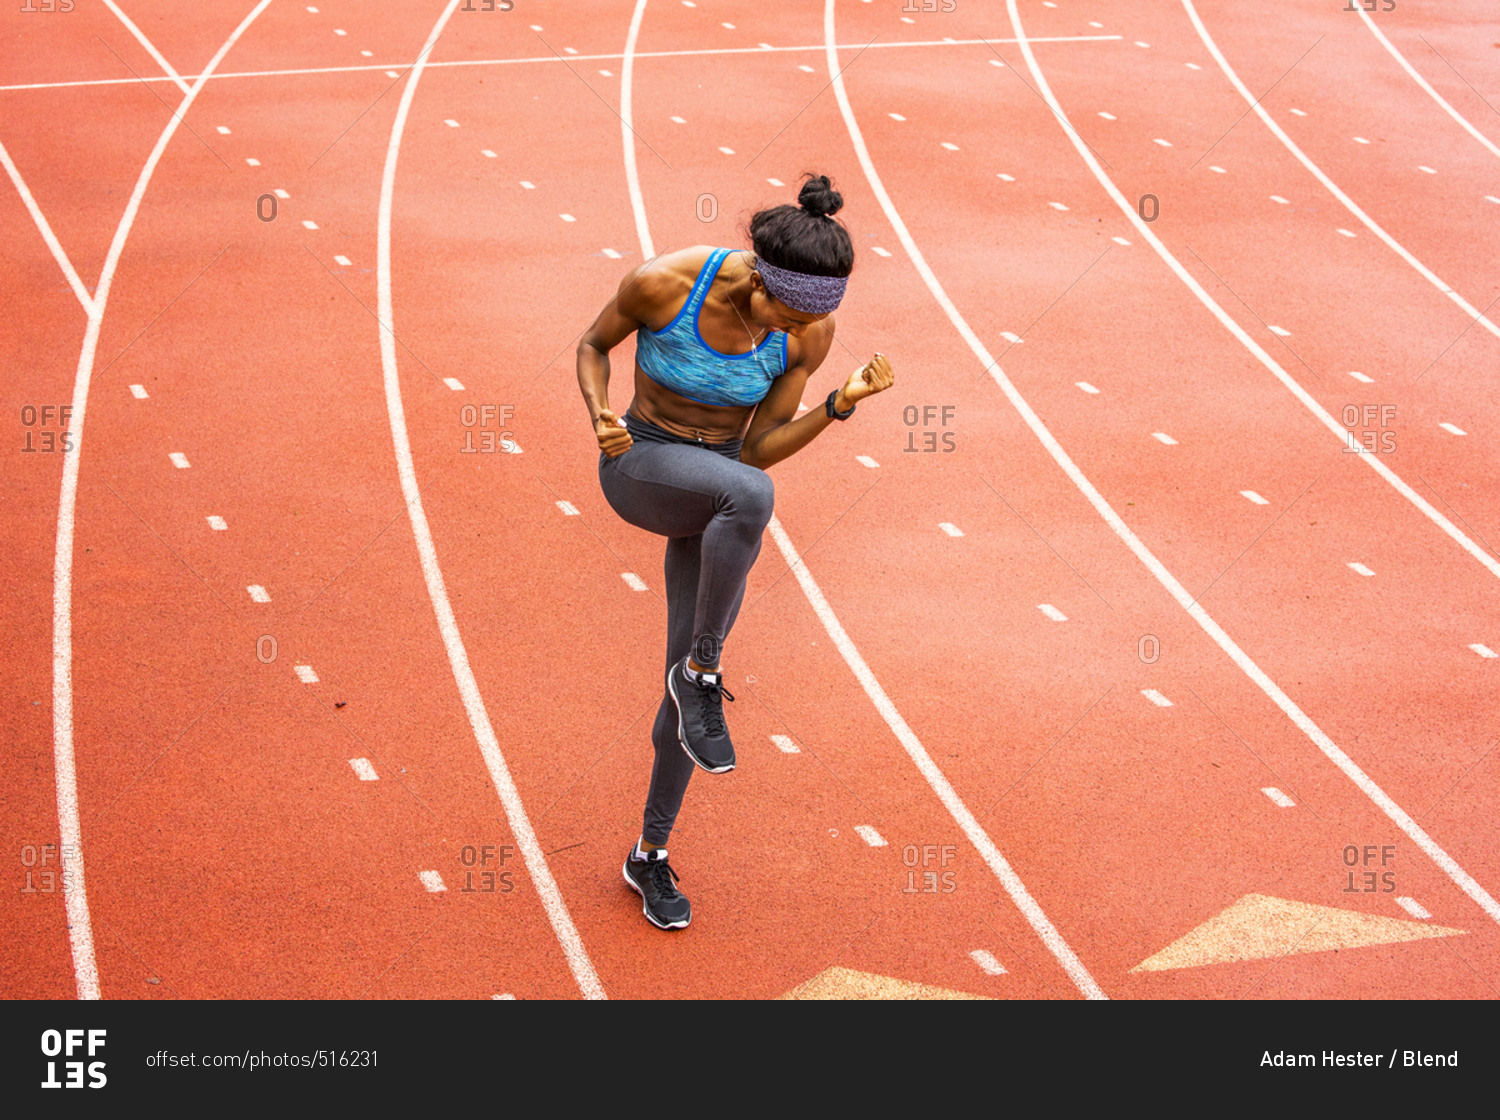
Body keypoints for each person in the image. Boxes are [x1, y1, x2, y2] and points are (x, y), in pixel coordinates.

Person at [576, 173, 895, 930]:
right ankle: (706, 670)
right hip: (639, 464)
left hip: (718, 489)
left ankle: (649, 854)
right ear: (757, 278)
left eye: (809, 320)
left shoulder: (806, 332)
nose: (795, 329)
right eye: (785, 311)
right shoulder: (666, 283)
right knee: (747, 503)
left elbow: (754, 454)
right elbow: (593, 346)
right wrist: (598, 417)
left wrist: (837, 404)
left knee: (679, 710)